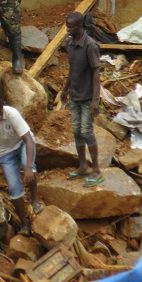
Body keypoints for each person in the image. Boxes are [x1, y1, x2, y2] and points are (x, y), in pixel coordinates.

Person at [0, 97, 38, 234]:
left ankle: (35, 200)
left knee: (28, 166)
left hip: (22, 144)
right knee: (13, 187)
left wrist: (28, 167)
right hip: (5, 152)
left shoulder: (12, 114)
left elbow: (28, 139)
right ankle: (24, 223)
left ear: (3, 107)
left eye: (0, 113)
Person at [61, 12, 103, 187]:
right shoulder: (70, 44)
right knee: (77, 131)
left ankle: (96, 170)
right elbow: (72, 70)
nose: (68, 30)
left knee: (86, 131)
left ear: (80, 26)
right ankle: (83, 166)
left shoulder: (90, 45)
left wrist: (95, 99)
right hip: (75, 96)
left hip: (87, 98)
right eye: (67, 26)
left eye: (71, 27)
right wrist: (64, 90)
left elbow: (96, 72)